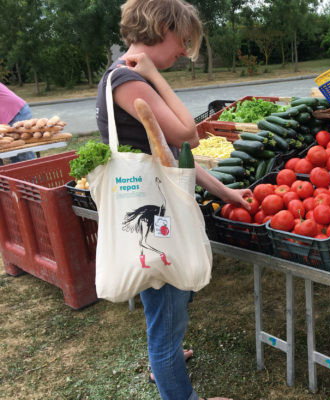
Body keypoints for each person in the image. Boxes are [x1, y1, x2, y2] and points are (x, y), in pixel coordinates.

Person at [95, 1, 248, 399]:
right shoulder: (129, 79)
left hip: (150, 204)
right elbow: (188, 136)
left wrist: (227, 192)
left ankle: (168, 355)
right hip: (151, 219)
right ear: (161, 27)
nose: (183, 51)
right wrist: (154, 76)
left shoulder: (125, 74)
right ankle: (172, 373)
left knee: (173, 297)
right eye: (182, 40)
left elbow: (170, 160)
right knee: (165, 318)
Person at [0, 82, 36, 163]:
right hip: (8, 115)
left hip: (17, 112)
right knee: (13, 153)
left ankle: (32, 174)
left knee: (23, 151)